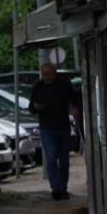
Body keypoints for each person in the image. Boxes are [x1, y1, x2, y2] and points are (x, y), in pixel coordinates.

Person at [29, 62, 82, 200]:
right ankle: (56, 188)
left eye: (48, 74)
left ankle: (63, 187)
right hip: (47, 128)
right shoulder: (38, 87)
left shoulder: (64, 85)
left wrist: (76, 108)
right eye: (44, 74)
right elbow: (31, 107)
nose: (46, 77)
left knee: (64, 160)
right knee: (51, 158)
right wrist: (36, 107)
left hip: (63, 127)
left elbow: (76, 99)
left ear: (55, 73)